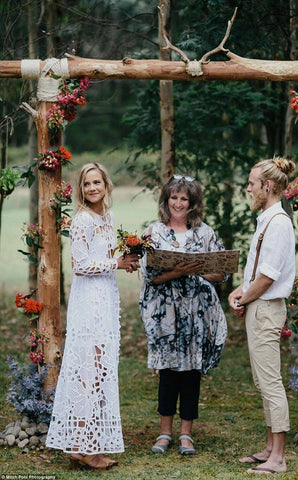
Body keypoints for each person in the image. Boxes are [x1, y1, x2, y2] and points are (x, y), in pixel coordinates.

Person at [46, 162, 140, 470]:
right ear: (82, 190)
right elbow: (81, 265)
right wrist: (117, 264)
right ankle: (83, 448)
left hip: (106, 300)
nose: (92, 188)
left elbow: (104, 257)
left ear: (106, 185)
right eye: (87, 184)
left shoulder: (107, 217)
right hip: (88, 303)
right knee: (88, 375)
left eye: (97, 182)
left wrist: (126, 258)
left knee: (99, 374)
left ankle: (87, 444)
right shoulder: (82, 220)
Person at [140, 174, 228, 456]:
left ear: (193, 203)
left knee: (191, 372)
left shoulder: (205, 233)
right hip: (165, 312)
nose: (178, 203)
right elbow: (149, 277)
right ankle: (165, 431)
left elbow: (221, 272)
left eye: (184, 198)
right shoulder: (153, 232)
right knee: (167, 372)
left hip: (196, 311)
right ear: (167, 200)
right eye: (174, 197)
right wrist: (176, 272)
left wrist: (198, 268)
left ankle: (186, 434)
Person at [228, 157, 296, 475]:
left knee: (271, 382)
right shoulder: (266, 219)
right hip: (258, 306)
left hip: (267, 309)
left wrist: (245, 298)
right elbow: (256, 272)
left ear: (267, 186)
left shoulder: (279, 223)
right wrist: (240, 292)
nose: (248, 188)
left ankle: (279, 458)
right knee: (261, 381)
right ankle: (269, 448)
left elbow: (268, 277)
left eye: (252, 183)